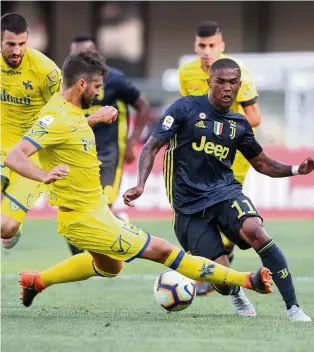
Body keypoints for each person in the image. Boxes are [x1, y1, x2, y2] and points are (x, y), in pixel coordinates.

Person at [4, 52, 272, 308]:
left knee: (110, 267)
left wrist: (93, 120)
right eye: (96, 87)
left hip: (94, 209)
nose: (99, 93)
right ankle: (246, 280)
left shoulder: (68, 110)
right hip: (84, 217)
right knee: (165, 251)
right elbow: (16, 156)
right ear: (82, 83)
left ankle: (36, 282)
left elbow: (67, 131)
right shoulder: (55, 118)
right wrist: (43, 175)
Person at [123, 58, 313, 322]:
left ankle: (293, 308)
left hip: (225, 194)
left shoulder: (239, 123)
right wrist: (141, 183)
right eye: (221, 82)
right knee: (220, 275)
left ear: (239, 85)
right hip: (188, 207)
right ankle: (235, 292)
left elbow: (262, 163)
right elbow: (151, 146)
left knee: (256, 231)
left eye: (233, 83)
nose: (227, 88)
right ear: (209, 82)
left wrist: (295, 170)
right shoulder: (184, 108)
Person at [0, 14, 117, 251]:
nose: (17, 50)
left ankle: (14, 227)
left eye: (22, 44)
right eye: (10, 44)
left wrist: (92, 119)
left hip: (30, 153)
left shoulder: (46, 71)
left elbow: (66, 113)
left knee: (6, 228)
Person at [178, 21, 262, 295]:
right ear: (195, 46)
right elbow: (186, 112)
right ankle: (220, 262)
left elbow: (255, 117)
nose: (207, 50)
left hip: (230, 158)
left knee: (220, 211)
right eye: (202, 45)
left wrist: (222, 131)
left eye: (212, 45)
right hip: (198, 158)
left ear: (222, 46)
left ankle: (216, 265)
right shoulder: (186, 73)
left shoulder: (240, 74)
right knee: (200, 213)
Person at [66, 33, 151, 255]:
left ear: (96, 54)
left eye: (85, 54)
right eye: (76, 55)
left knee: (101, 206)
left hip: (109, 153)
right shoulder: (66, 83)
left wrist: (133, 141)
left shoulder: (114, 79)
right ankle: (86, 254)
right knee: (73, 207)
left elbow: (143, 107)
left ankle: (126, 238)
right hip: (77, 153)